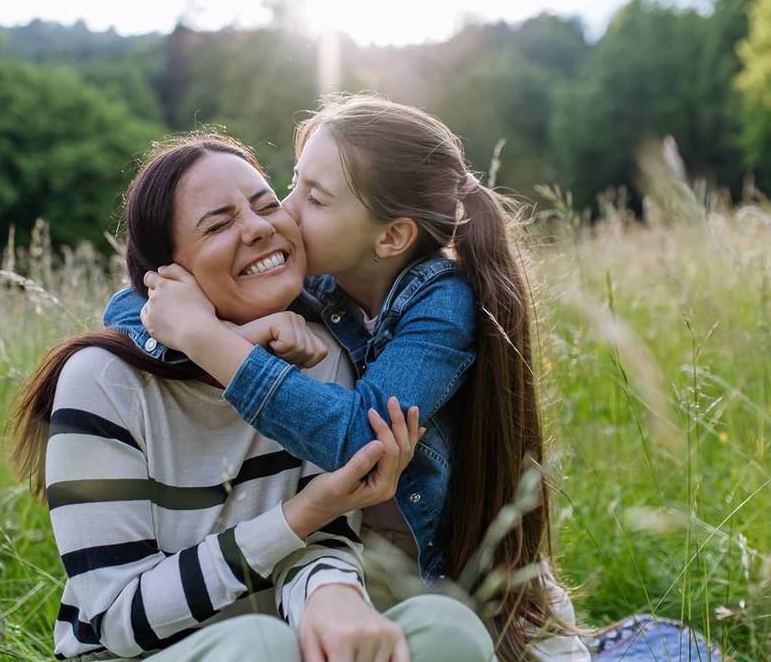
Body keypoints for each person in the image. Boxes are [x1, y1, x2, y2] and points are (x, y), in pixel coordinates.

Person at [107, 94, 588, 659]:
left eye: (314, 198)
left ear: (389, 238)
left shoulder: (442, 306)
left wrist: (209, 341)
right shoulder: (320, 285)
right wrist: (235, 338)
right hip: (338, 563)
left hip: (441, 569)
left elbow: (362, 440)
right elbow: (134, 306)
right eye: (293, 183)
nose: (284, 211)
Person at [7, 133, 495, 661]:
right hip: (149, 652)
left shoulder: (321, 354)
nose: (261, 226)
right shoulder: (104, 380)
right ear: (169, 275)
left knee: (445, 627)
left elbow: (323, 539)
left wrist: (331, 596)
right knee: (259, 646)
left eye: (266, 205)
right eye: (218, 225)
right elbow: (116, 622)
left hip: (282, 637)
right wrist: (301, 513)